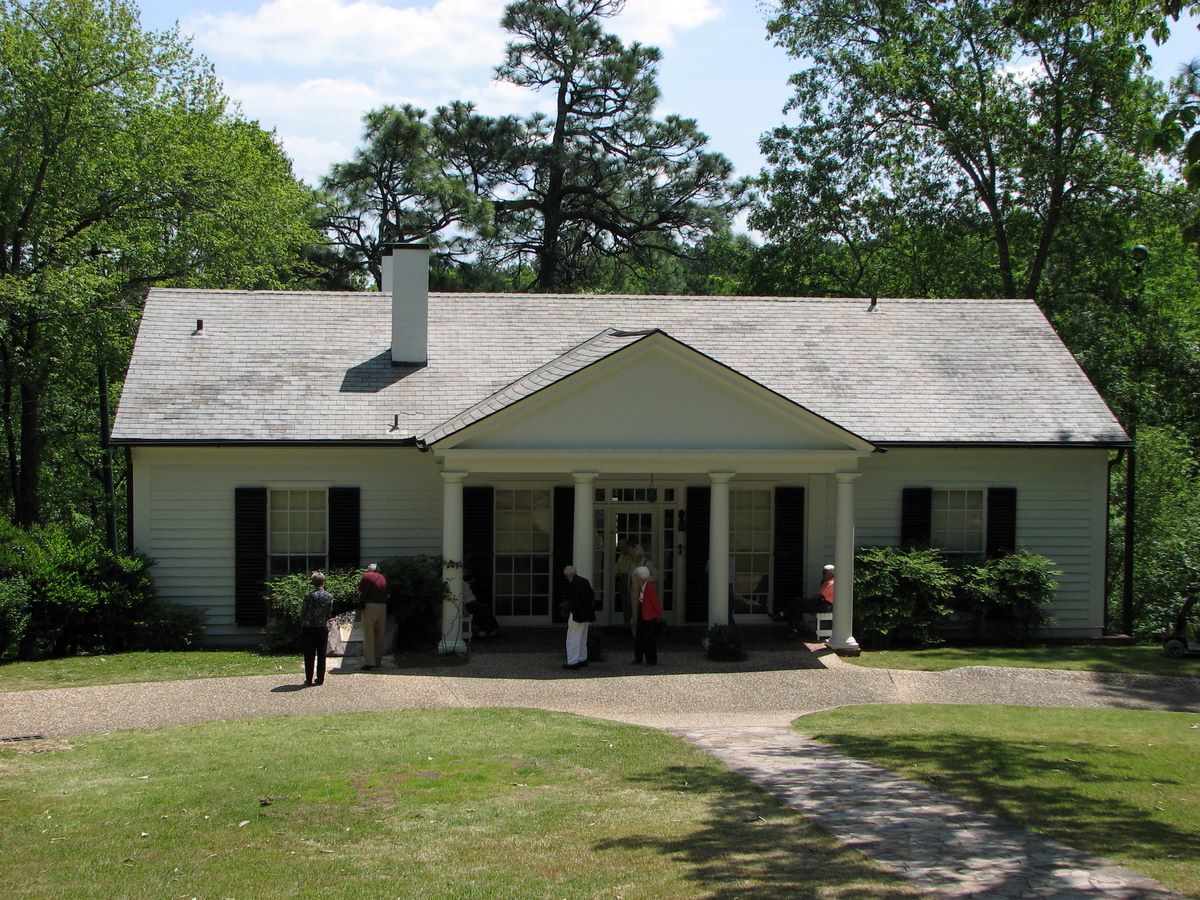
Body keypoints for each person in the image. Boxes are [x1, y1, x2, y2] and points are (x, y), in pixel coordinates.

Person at [774, 564, 834, 638]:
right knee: (797, 609)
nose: (823, 574)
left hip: (824, 605)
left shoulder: (832, 583)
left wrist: (809, 601)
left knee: (797, 600)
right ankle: (793, 630)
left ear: (831, 574)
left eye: (824, 573)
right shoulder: (826, 581)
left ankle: (782, 614)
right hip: (819, 603)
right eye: (823, 572)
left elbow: (820, 595)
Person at [300, 571, 334, 686]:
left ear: (313, 583)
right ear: (323, 582)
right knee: (321, 654)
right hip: (322, 627)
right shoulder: (329, 596)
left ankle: (309, 679)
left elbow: (303, 612)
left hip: (309, 628)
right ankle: (320, 679)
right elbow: (329, 612)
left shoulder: (308, 596)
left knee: (309, 655)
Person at [561, 565, 595, 670]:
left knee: (573, 638)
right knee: (583, 637)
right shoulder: (585, 581)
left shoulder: (572, 584)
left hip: (577, 615)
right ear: (575, 572)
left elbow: (574, 601)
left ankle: (572, 661)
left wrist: (569, 608)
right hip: (587, 614)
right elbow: (592, 595)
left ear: (567, 576)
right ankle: (582, 658)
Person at [357, 562, 389, 669]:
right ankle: (378, 660)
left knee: (369, 634)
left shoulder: (366, 576)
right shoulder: (384, 577)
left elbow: (360, 592)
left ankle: (369, 662)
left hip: (370, 607)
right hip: (382, 607)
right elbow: (388, 594)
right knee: (379, 635)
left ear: (369, 570)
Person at [631, 565, 663, 666]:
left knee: (649, 639)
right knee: (639, 637)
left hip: (649, 617)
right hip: (642, 615)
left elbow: (655, 602)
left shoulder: (649, 588)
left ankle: (651, 660)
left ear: (641, 577)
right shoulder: (643, 587)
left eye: (636, 576)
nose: (635, 578)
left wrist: (659, 616)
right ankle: (638, 658)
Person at [462, 572, 500, 638]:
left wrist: (469, 584)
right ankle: (489, 629)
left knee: (484, 608)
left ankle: (490, 629)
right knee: (484, 608)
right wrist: (464, 610)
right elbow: (460, 597)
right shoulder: (458, 582)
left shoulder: (462, 581)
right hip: (469, 603)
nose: (465, 573)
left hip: (472, 601)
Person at [613, 540, 635, 627]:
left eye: (623, 547)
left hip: (631, 580)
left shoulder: (633, 556)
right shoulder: (621, 556)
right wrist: (618, 574)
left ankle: (632, 624)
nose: (620, 549)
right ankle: (627, 624)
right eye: (620, 547)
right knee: (624, 603)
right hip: (622, 580)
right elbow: (617, 568)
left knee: (631, 604)